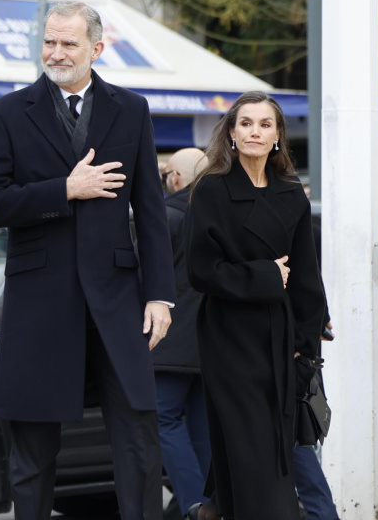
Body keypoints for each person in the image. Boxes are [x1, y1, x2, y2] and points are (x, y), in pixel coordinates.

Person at [0, 2, 175, 519]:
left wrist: (159, 295)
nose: (56, 53)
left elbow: (150, 211)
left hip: (118, 301)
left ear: (96, 49)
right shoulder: (7, 114)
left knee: (139, 442)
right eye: (49, 43)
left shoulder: (132, 109)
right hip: (39, 305)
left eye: (68, 44)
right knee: (32, 455)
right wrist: (65, 189)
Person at [185, 91, 325, 519]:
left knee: (272, 448)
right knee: (250, 447)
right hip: (229, 338)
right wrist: (264, 275)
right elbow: (201, 271)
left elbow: (305, 278)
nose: (255, 132)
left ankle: (214, 511)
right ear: (231, 131)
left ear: (278, 135)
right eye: (246, 123)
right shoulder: (210, 190)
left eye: (266, 124)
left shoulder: (291, 195)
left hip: (281, 341)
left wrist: (307, 346)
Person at [155, 148, 211, 517]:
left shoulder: (165, 215)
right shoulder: (220, 216)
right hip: (210, 340)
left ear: (175, 178)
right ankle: (213, 502)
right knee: (203, 427)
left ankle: (195, 501)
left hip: (169, 340)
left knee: (163, 419)